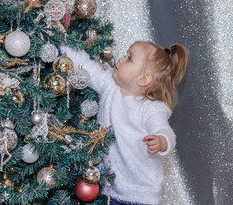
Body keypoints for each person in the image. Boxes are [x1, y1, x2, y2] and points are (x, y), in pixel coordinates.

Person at [60, 41, 188, 205]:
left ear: (143, 79)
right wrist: (63, 43)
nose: (120, 59)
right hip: (109, 188)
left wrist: (161, 141)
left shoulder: (151, 108)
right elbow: (85, 66)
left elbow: (164, 130)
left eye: (129, 58)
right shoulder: (110, 86)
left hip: (142, 195)